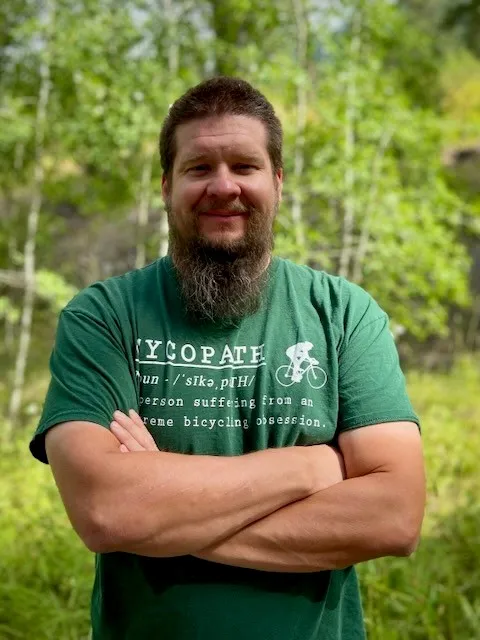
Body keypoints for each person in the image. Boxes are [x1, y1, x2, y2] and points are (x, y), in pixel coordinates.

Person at [30, 76, 425, 640]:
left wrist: (162, 516)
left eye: (244, 166)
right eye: (199, 168)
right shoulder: (104, 316)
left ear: (277, 182)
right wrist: (311, 468)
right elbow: (105, 511)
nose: (223, 186)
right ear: (166, 186)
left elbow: (395, 516)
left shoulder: (343, 313)